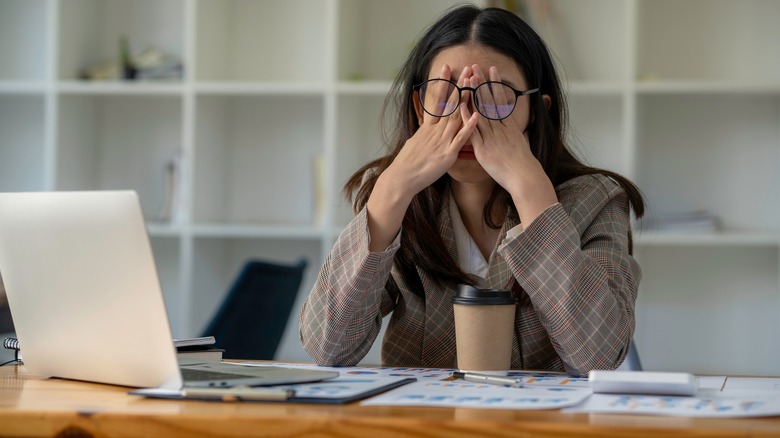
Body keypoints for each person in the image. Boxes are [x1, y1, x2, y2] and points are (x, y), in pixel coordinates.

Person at [299, 5, 644, 375]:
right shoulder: (395, 198)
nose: (467, 118)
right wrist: (392, 190)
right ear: (419, 108)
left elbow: (599, 356)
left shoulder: (596, 199)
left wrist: (532, 192)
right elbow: (327, 348)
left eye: (495, 96)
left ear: (537, 111)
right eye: (445, 94)